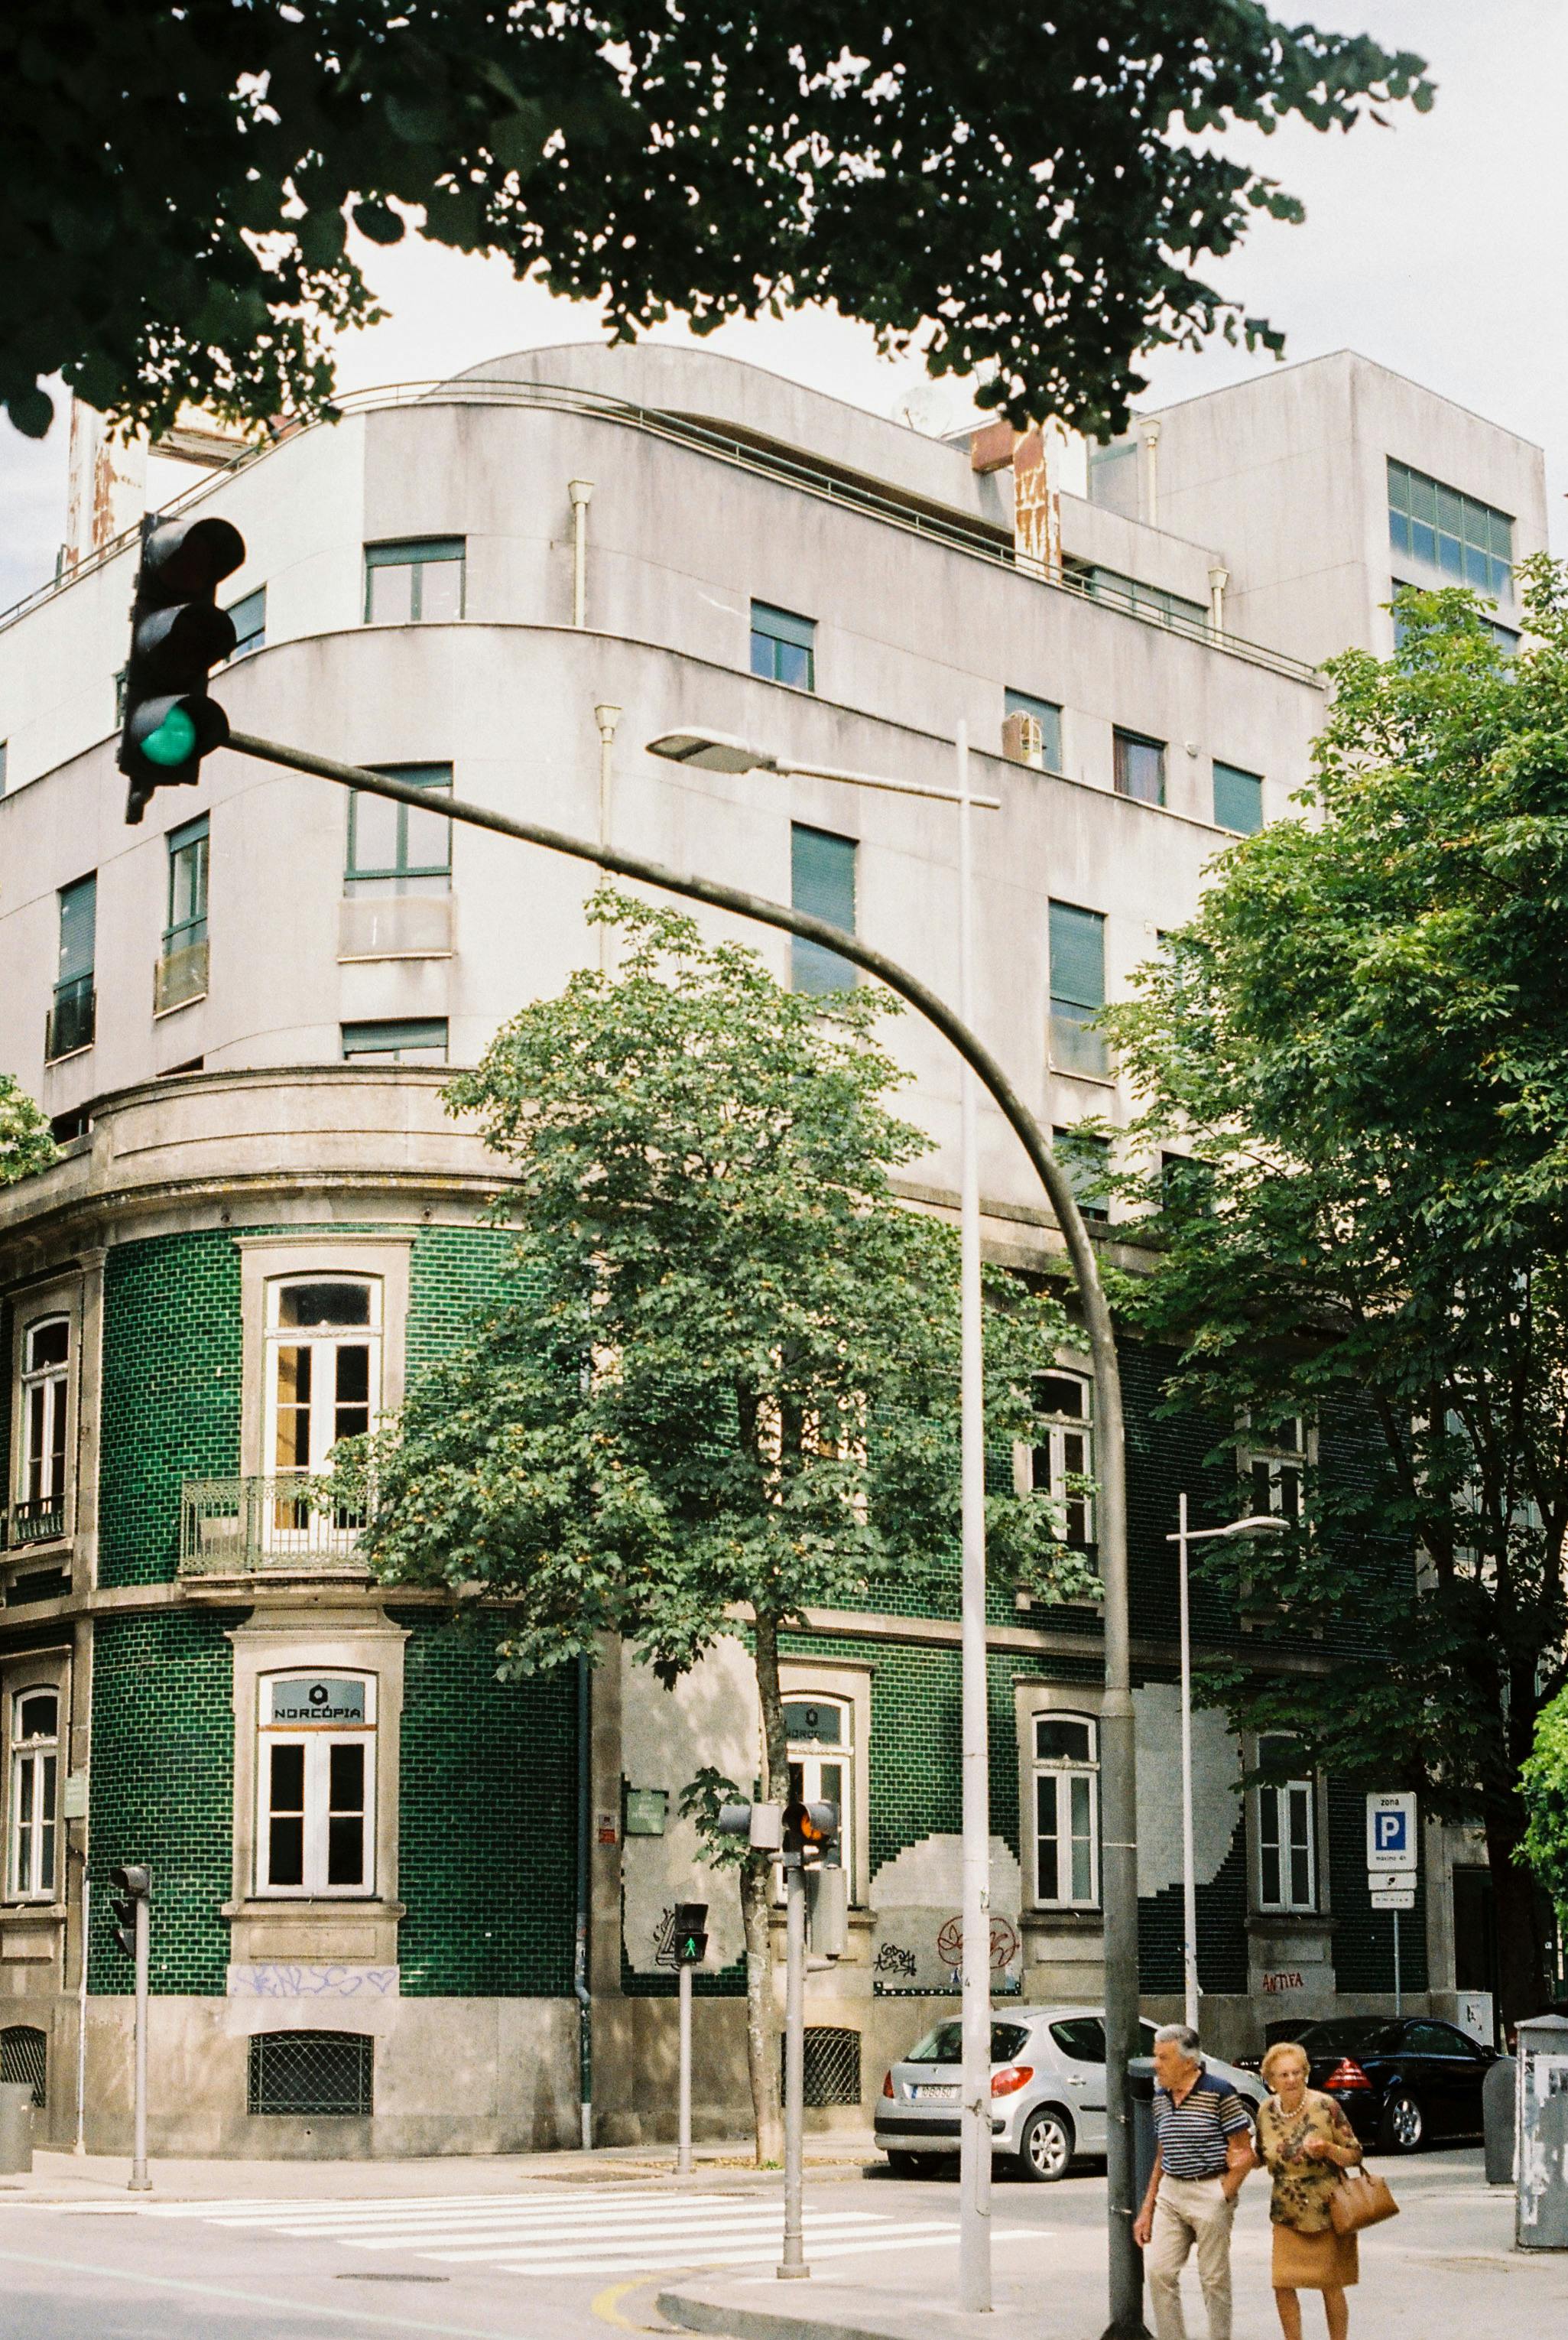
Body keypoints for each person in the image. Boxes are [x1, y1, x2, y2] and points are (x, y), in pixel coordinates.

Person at [1133, 2023, 1255, 2340]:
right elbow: (1163, 2153)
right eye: (1155, 2057)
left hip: (1209, 2189)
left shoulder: (1220, 2092)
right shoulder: (1161, 2096)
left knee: (1213, 2279)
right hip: (1172, 2191)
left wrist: (1222, 2194)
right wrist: (1147, 2208)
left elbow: (1244, 2153)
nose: (1155, 2065)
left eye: (1163, 2058)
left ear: (1188, 2062)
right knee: (1160, 2272)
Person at [1254, 2039, 1363, 2340]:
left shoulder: (1326, 2106)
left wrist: (1328, 2148)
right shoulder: (1264, 2111)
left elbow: (1355, 2154)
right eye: (1283, 2075)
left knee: (1330, 2284)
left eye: (1296, 2073)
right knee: (1282, 2283)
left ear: (1306, 2074)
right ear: (1271, 2080)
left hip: (1326, 2209)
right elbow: (1262, 2155)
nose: (1291, 2080)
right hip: (1286, 2211)